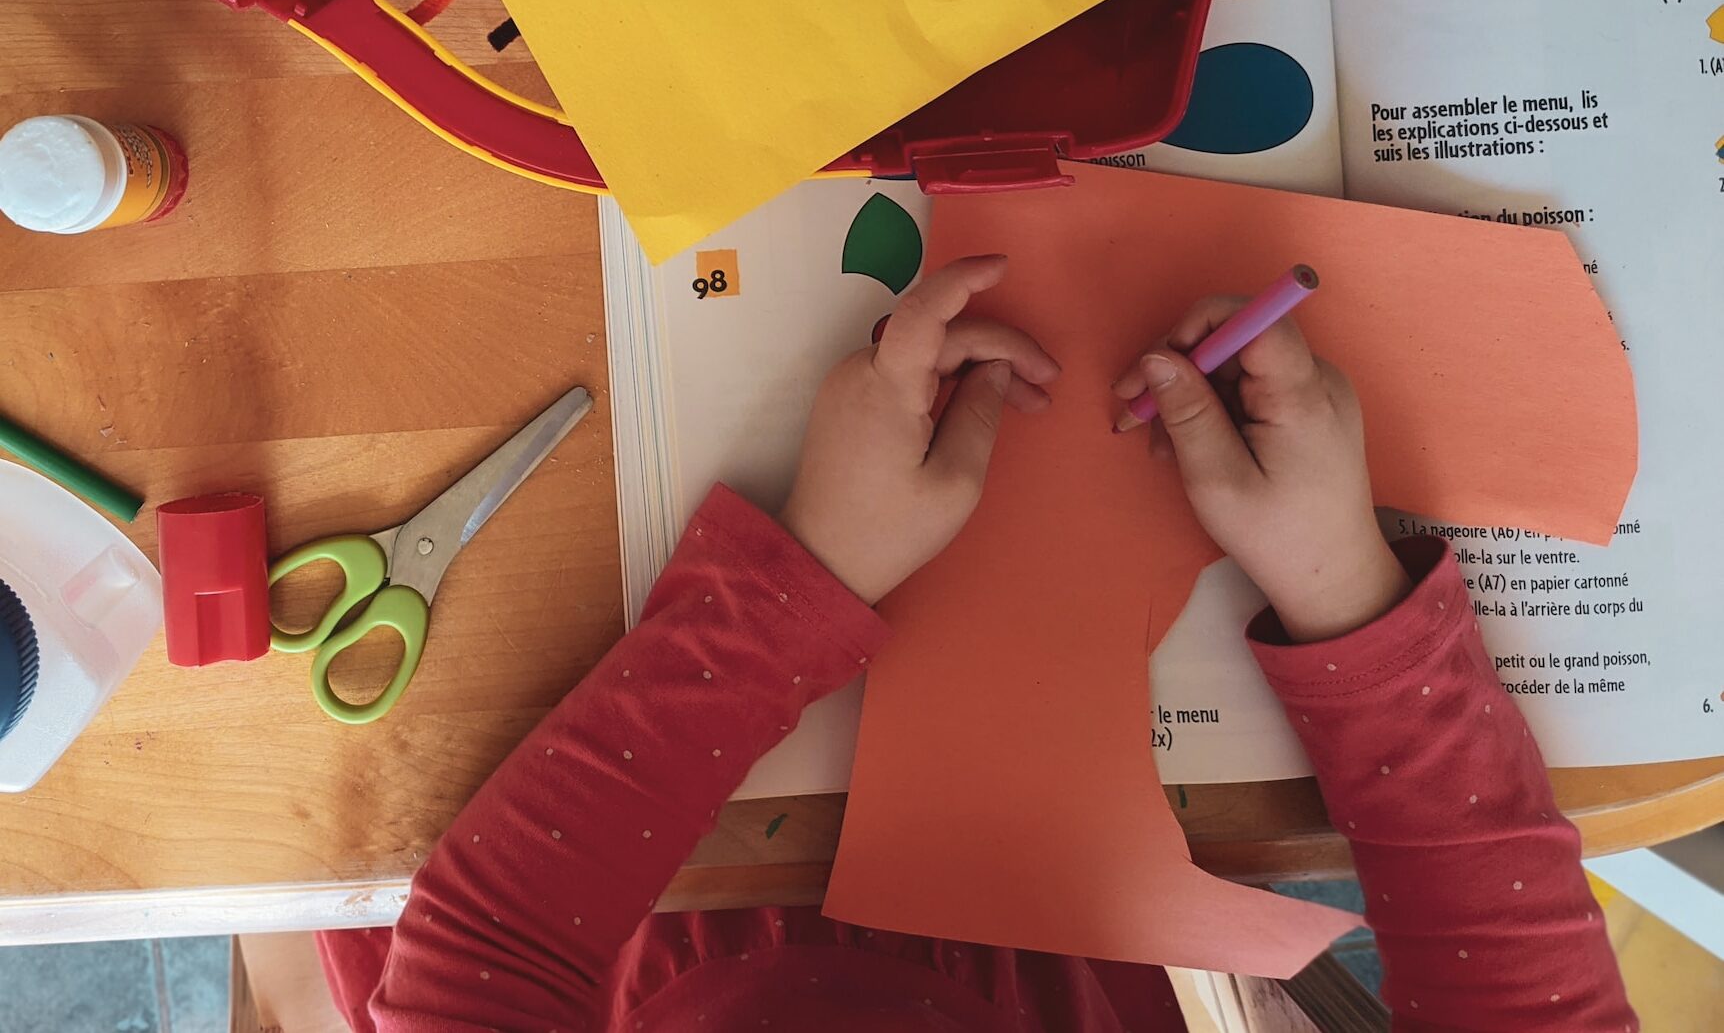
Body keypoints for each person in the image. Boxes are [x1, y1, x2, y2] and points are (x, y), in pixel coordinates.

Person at [318, 255, 1635, 1031]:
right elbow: (1525, 996)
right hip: (1051, 940)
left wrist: (798, 584)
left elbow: (487, 951)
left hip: (633, 924)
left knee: (302, 864)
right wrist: (1344, 594)